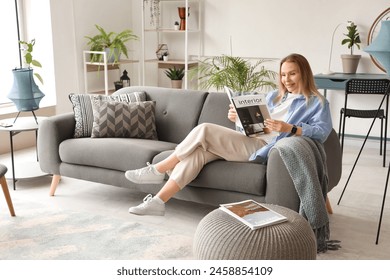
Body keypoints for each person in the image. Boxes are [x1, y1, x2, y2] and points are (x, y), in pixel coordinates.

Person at [125, 53, 333, 216]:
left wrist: (290, 128)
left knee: (205, 129)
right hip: (251, 140)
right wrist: (239, 120)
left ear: (304, 73)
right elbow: (255, 126)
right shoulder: (274, 97)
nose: (287, 79)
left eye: (292, 73)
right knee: (197, 155)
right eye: (283, 74)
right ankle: (158, 202)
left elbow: (322, 132)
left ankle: (159, 168)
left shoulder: (317, 103)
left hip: (266, 148)